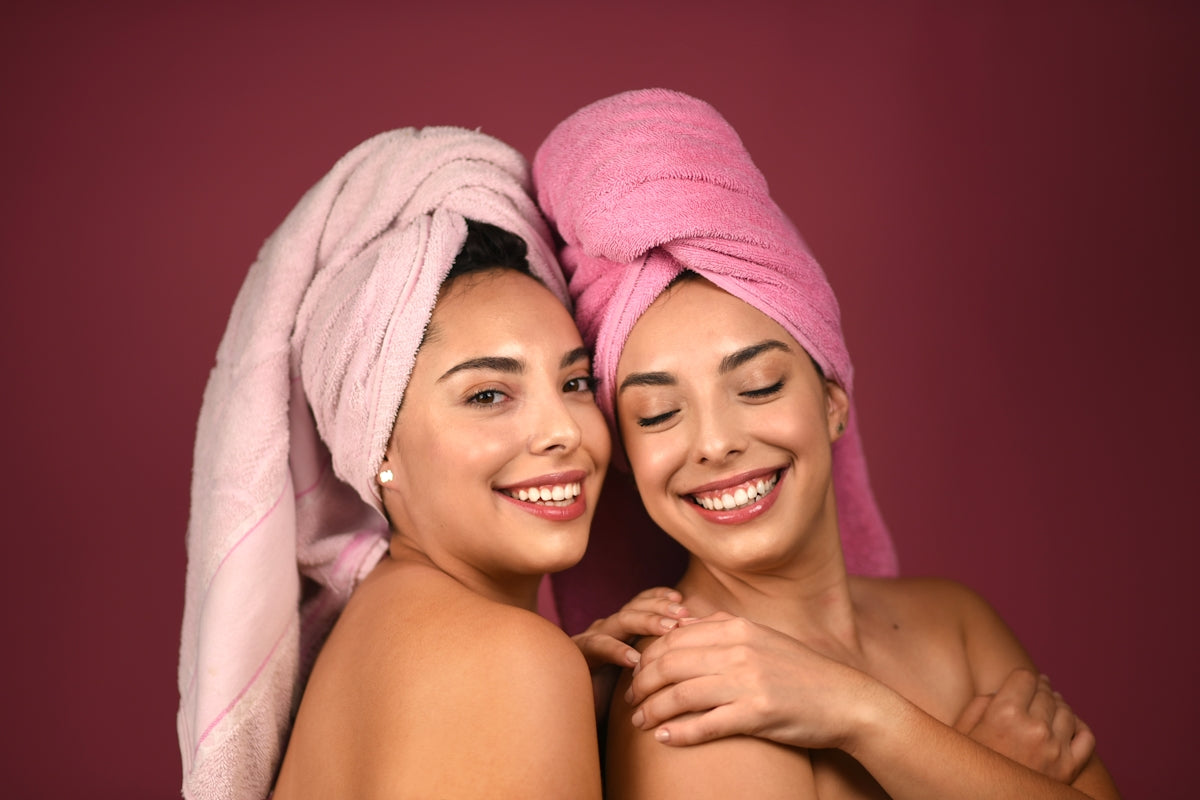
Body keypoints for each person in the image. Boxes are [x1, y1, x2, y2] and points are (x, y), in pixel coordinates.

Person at [533, 89, 1120, 798]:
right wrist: (971, 765)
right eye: (658, 413)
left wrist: (864, 715)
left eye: (758, 386)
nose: (716, 443)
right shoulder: (689, 689)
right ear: (625, 453)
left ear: (834, 400)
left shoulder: (955, 621)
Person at [178, 128, 608, 799]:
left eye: (576, 383)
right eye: (488, 395)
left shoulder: (377, 632)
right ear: (376, 450)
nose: (563, 432)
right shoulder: (508, 663)